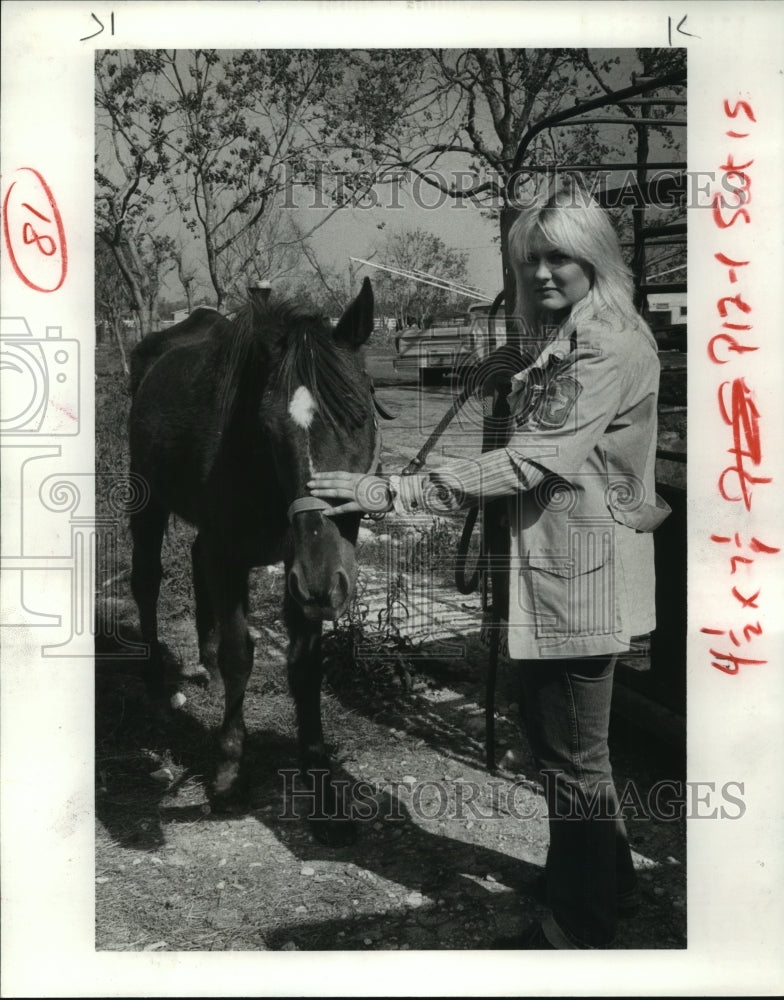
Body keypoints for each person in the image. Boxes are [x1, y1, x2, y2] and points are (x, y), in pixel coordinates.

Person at [308, 183, 671, 950]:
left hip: (581, 576)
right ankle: (611, 882)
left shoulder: (605, 342)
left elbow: (533, 460)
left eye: (560, 257)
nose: (542, 273)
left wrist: (387, 488)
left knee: (573, 759)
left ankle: (578, 928)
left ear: (595, 257)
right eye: (530, 258)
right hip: (559, 568)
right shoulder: (570, 335)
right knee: (562, 749)